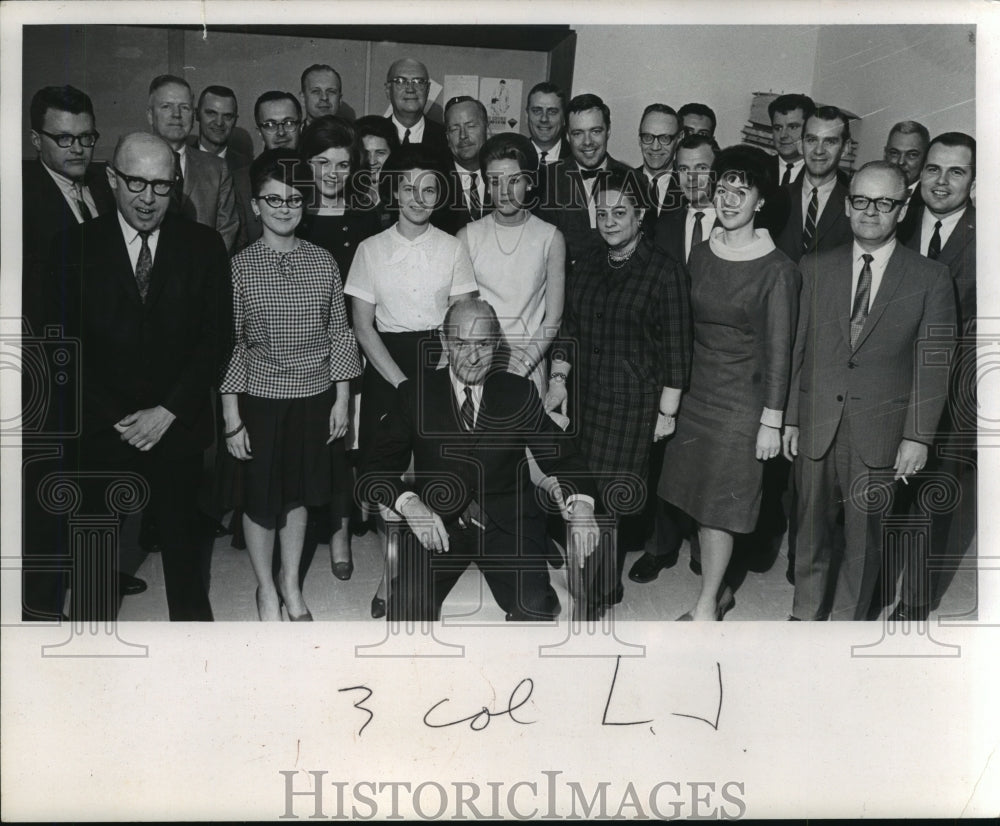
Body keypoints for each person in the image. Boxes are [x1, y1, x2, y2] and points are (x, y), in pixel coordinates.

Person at [45, 132, 228, 620]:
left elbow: (216, 339)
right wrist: (121, 418)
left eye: (161, 186)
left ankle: (194, 659)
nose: (148, 199)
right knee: (94, 560)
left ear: (175, 185)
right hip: (102, 428)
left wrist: (168, 411)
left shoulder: (204, 246)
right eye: (135, 183)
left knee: (187, 562)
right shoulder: (72, 246)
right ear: (111, 179)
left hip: (178, 426)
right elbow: (62, 348)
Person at [783, 161, 956, 621]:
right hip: (818, 423)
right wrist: (791, 419)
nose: (871, 212)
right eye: (861, 200)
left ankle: (845, 628)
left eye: (885, 203)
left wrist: (918, 436)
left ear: (903, 209)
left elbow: (932, 366)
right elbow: (798, 349)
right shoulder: (814, 266)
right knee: (809, 531)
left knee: (864, 542)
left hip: (881, 434)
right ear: (847, 204)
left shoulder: (930, 279)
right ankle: (802, 615)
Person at [360, 298, 600, 622]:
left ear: (497, 342)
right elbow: (374, 469)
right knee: (407, 610)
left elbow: (564, 459)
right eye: (461, 344)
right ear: (444, 342)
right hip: (437, 520)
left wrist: (582, 506)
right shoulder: (415, 393)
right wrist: (410, 504)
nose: (473, 358)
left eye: (484, 344)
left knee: (534, 605)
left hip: (507, 525)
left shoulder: (520, 392)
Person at [658, 145, 800, 621]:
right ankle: (719, 590)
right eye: (723, 189)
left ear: (761, 201)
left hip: (743, 403)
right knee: (697, 501)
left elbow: (779, 350)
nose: (730, 199)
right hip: (697, 394)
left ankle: (705, 604)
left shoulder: (777, 269)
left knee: (720, 507)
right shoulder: (702, 252)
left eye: (742, 191)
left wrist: (771, 421)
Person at [219, 149, 361, 622]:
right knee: (261, 501)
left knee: (298, 495)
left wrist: (342, 397)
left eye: (295, 199)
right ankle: (265, 589)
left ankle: (290, 584)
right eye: (274, 199)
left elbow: (339, 332)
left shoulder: (323, 262)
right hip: (259, 402)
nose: (284, 208)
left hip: (315, 399)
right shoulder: (238, 267)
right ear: (255, 205)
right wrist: (231, 417)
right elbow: (232, 344)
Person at [547, 170, 692, 618]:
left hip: (632, 404)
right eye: (603, 212)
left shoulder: (664, 270)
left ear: (641, 215)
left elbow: (677, 347)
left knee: (608, 499)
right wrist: (558, 378)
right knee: (580, 492)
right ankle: (599, 584)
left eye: (620, 212)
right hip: (584, 395)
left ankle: (590, 597)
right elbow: (569, 325)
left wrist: (666, 412)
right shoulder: (588, 260)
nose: (610, 221)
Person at [344, 144, 478, 616]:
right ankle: (389, 572)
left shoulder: (452, 247)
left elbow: (462, 316)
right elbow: (363, 327)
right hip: (387, 367)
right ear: (394, 189)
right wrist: (403, 385)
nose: (418, 197)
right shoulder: (370, 249)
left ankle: (419, 575)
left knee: (433, 473)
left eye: (429, 188)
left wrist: (441, 372)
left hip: (441, 361)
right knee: (386, 477)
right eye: (408, 186)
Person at [21, 84, 122, 619]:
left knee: (97, 481)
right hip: (45, 370)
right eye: (64, 138)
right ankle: (38, 604)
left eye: (87, 137)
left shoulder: (106, 189)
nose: (78, 148)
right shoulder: (18, 194)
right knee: (48, 488)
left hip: (103, 371)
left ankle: (95, 581)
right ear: (37, 138)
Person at [891, 133, 976, 622]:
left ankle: (916, 598)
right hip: (895, 382)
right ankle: (878, 578)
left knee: (935, 493)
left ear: (973, 179)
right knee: (887, 486)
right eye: (933, 169)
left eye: (956, 171)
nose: (941, 181)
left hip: (958, 389)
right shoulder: (897, 221)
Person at [297, 115, 383, 579]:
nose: (333, 173)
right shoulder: (295, 212)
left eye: (343, 164)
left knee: (344, 443)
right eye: (322, 162)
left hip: (352, 341)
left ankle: (340, 532)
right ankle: (303, 525)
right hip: (301, 348)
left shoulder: (366, 214)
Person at [457, 133, 566, 398]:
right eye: (494, 181)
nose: (503, 191)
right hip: (476, 363)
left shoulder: (550, 237)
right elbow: (459, 312)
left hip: (528, 364)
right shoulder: (467, 236)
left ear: (529, 183)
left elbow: (553, 318)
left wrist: (521, 367)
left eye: (514, 180)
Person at [536, 93, 632, 269]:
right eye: (578, 133)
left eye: (595, 131)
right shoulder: (545, 180)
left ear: (608, 131)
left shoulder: (633, 179)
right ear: (567, 136)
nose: (587, 142)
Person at [146, 74, 239, 253]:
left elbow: (227, 230)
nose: (176, 115)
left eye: (185, 107)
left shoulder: (216, 168)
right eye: (166, 106)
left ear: (193, 114)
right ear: (150, 115)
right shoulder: (132, 166)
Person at [774, 106, 854, 263]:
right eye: (811, 140)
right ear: (800, 145)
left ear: (845, 148)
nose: (819, 150)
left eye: (830, 142)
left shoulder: (855, 206)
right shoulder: (775, 197)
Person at [651, 133, 720, 265]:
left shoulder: (733, 224)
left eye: (701, 168)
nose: (691, 177)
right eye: (684, 169)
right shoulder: (664, 226)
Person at [435, 96, 490, 235]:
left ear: (487, 129)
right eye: (454, 129)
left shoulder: (503, 176)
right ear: (447, 137)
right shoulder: (435, 180)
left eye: (471, 126)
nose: (463, 136)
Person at [381, 57, 449, 162]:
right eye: (400, 81)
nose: (410, 89)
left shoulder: (446, 139)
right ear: (387, 90)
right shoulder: (373, 135)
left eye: (419, 82)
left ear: (428, 90)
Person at [633, 103, 685, 218]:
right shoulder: (624, 184)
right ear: (639, 139)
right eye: (647, 137)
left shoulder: (689, 188)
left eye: (664, 138)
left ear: (679, 139)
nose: (655, 147)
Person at [354, 115, 399, 230]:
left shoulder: (402, 195)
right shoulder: (346, 196)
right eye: (365, 153)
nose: (372, 161)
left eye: (380, 153)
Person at [887, 120, 931, 237]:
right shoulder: (867, 191)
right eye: (894, 153)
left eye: (912, 155)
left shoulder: (931, 202)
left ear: (926, 158)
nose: (901, 162)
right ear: (885, 154)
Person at [191, 85, 252, 169]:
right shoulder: (180, 160)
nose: (219, 123)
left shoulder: (247, 167)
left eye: (227, 116)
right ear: (197, 114)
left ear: (235, 121)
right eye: (211, 113)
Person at [525, 81, 569, 166]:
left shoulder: (578, 158)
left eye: (552, 112)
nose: (544, 119)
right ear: (526, 116)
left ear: (564, 118)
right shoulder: (513, 157)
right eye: (537, 111)